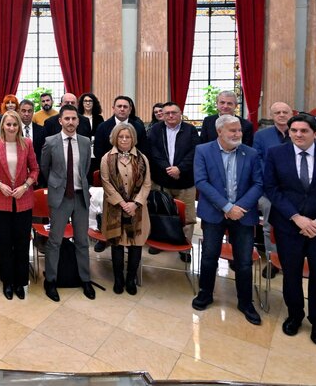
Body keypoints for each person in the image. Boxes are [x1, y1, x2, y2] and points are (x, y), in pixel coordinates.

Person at [263, 114, 316, 346]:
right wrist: (296, 218)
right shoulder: (276, 154)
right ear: (289, 132)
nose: (298, 135)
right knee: (290, 274)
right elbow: (272, 189)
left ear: (315, 132)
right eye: (294, 130)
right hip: (288, 226)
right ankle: (295, 316)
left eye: (304, 131)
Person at [192, 115, 264, 325]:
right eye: (232, 130)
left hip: (243, 214)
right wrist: (226, 207)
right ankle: (205, 294)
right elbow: (202, 182)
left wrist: (239, 208)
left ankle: (245, 302)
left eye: (239, 130)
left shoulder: (250, 153)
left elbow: (259, 183)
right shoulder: (203, 150)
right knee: (209, 256)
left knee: (243, 261)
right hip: (214, 214)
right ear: (220, 132)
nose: (237, 134)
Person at [41, 105, 95, 302]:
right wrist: (56, 185)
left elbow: (86, 167)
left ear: (78, 121)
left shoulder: (85, 142)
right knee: (55, 241)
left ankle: (85, 279)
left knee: (82, 240)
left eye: (74, 119)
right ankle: (51, 281)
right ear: (60, 121)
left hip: (81, 197)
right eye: (67, 119)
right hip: (60, 197)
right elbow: (45, 168)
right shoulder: (50, 142)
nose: (71, 122)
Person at [0, 110, 39, 300]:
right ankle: (7, 282)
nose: (12, 128)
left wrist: (25, 186)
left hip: (23, 200)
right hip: (1, 200)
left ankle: (20, 282)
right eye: (8, 124)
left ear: (19, 127)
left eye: (15, 125)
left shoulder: (27, 144)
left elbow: (35, 170)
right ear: (3, 126)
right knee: (5, 244)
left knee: (22, 244)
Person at [100, 122, 152, 295]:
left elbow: (147, 184)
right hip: (115, 209)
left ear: (133, 139)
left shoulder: (142, 158)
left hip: (137, 210)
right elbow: (106, 183)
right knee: (117, 244)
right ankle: (118, 280)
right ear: (115, 138)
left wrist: (135, 203)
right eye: (121, 136)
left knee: (136, 244)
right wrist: (122, 203)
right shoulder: (107, 158)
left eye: (127, 136)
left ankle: (131, 280)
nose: (124, 140)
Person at [147, 101, 200, 259]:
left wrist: (179, 169)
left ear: (180, 113)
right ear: (162, 115)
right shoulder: (155, 129)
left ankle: (184, 248)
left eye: (174, 112)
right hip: (162, 180)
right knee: (160, 212)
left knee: (187, 216)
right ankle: (159, 239)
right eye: (167, 113)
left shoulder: (190, 130)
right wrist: (168, 169)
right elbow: (154, 152)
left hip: (185, 181)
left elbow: (194, 152)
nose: (170, 116)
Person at [253, 101, 294, 279]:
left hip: (295, 191)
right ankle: (273, 261)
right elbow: (257, 161)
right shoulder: (261, 136)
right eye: (277, 112)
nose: (282, 115)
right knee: (270, 227)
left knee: (294, 226)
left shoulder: (299, 132)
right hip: (269, 191)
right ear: (272, 116)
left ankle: (292, 260)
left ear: (291, 114)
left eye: (285, 112)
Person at [94, 95, 148, 160]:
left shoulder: (139, 127)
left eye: (125, 107)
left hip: (134, 165)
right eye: (119, 106)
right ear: (113, 108)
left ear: (130, 110)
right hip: (109, 166)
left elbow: (143, 149)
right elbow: (98, 151)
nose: (122, 109)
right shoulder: (102, 127)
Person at [17, 99, 46, 165]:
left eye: (29, 111)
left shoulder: (41, 130)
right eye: (23, 111)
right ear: (19, 112)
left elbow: (43, 152)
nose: (26, 114)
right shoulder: (15, 129)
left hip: (37, 167)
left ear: (33, 112)